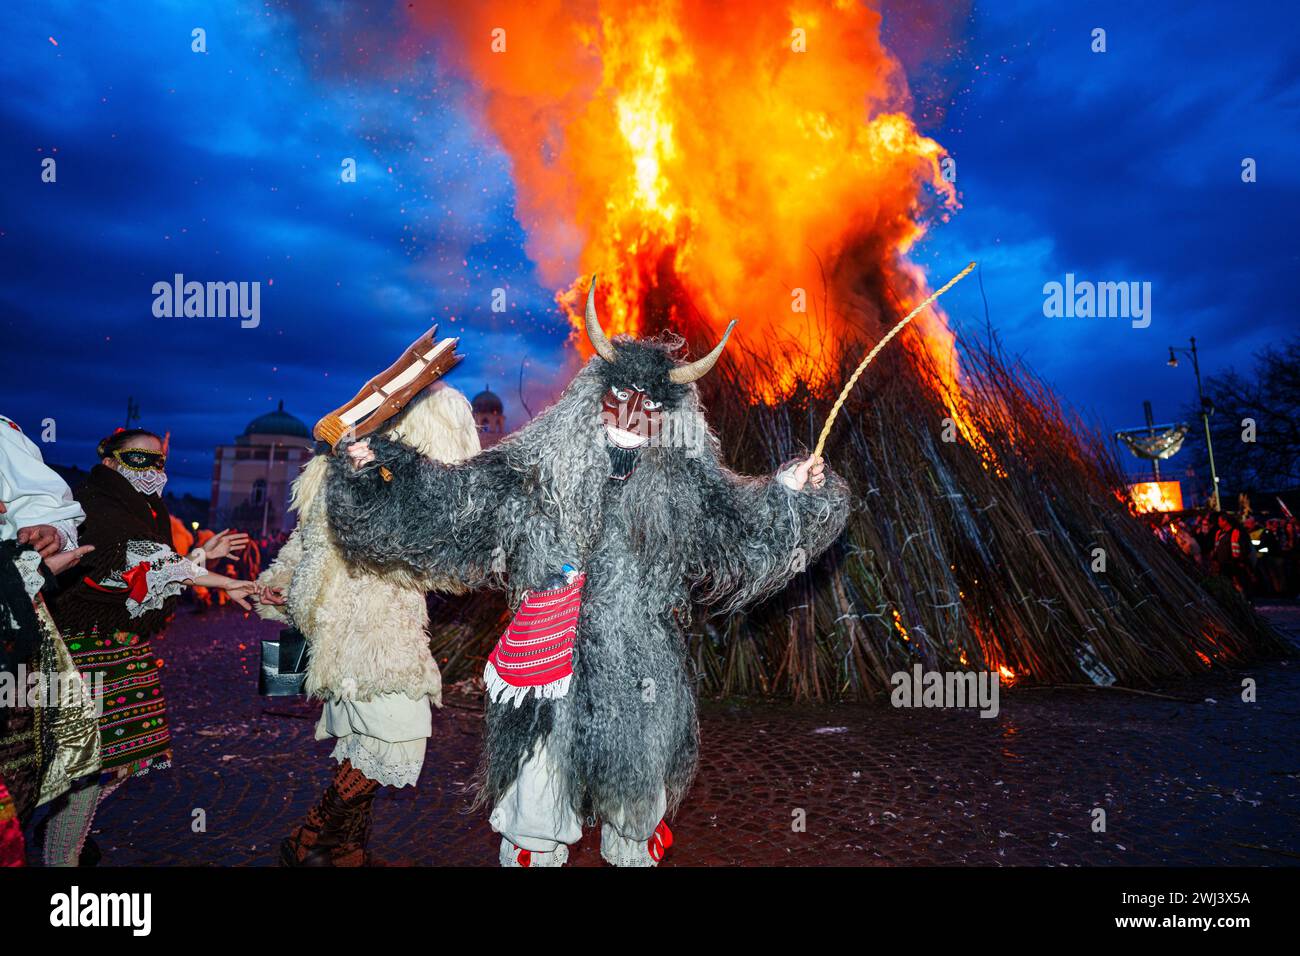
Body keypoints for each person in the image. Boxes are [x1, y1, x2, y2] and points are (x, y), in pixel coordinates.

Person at [325, 279, 848, 866]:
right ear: (593, 398)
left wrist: (788, 494)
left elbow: (740, 526)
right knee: (535, 819)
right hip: (546, 672)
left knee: (636, 820)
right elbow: (452, 503)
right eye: (620, 398)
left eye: (651, 409)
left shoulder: (685, 489)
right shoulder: (530, 472)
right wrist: (379, 475)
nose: (632, 416)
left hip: (641, 677)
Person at [258, 384, 480, 866]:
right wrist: (282, 582)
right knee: (396, 733)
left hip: (383, 622)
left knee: (367, 740)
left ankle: (342, 849)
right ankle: (309, 838)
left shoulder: (387, 472)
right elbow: (309, 540)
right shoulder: (355, 469)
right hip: (360, 627)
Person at [42, 428, 258, 865]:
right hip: (87, 651)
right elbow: (141, 566)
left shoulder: (145, 509)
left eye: (158, 460)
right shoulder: (96, 503)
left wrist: (200, 556)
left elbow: (150, 574)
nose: (152, 469)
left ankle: (64, 832)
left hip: (125, 650)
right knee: (88, 768)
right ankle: (61, 856)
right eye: (139, 459)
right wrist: (223, 579)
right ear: (110, 462)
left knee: (122, 762)